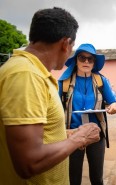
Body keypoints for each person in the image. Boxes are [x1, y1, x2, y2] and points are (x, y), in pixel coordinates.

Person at [0, 7, 101, 185]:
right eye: (75, 50)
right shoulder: (27, 76)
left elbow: (41, 135)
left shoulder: (29, 71)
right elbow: (29, 162)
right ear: (65, 43)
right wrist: (80, 138)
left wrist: (67, 134)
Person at [58, 43, 116, 185]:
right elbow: (56, 108)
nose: (86, 61)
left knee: (97, 178)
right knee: (73, 178)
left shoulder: (100, 80)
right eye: (82, 58)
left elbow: (114, 102)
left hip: (96, 134)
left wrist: (114, 106)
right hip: (72, 133)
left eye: (90, 59)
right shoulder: (65, 82)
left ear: (94, 62)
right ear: (76, 60)